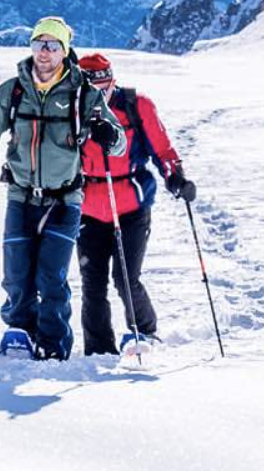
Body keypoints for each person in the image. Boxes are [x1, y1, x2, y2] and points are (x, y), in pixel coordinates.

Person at [0, 16, 124, 360]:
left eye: (52, 45)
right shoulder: (12, 90)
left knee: (51, 277)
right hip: (20, 195)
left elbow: (118, 143)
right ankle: (20, 335)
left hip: (64, 199)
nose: (44, 52)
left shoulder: (83, 93)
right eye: (38, 44)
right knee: (16, 276)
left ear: (64, 51)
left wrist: (108, 133)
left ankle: (55, 345)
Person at [74, 51, 196, 354]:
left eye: (102, 80)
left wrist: (175, 178)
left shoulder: (136, 105)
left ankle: (144, 332)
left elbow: (161, 149)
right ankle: (99, 349)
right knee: (92, 281)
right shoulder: (70, 111)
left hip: (131, 203)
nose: (98, 89)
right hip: (87, 207)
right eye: (90, 83)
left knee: (126, 276)